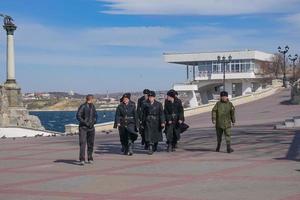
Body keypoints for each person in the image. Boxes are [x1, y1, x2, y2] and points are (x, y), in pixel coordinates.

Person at [141, 91, 165, 155]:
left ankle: (155, 145)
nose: (150, 98)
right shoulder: (145, 104)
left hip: (156, 121)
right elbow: (143, 114)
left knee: (155, 135)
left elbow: (161, 114)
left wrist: (162, 122)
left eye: (151, 97)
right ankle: (150, 147)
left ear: (154, 97)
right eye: (149, 97)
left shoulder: (159, 104)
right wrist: (142, 122)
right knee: (149, 134)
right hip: (148, 121)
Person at [76, 94, 98, 165]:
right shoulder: (83, 106)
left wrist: (94, 121)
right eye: (92, 99)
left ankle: (90, 157)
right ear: (90, 99)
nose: (93, 100)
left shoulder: (93, 106)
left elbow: (95, 115)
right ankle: (82, 159)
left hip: (91, 128)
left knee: (90, 143)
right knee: (82, 143)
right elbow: (78, 116)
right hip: (83, 128)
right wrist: (85, 123)